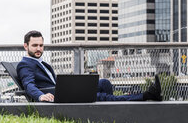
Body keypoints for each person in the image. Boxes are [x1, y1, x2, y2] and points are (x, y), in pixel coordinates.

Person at [17, 30, 162, 102]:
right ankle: (146, 95)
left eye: (41, 45)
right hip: (59, 97)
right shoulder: (25, 65)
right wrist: (41, 96)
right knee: (101, 96)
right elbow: (28, 85)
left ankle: (111, 108)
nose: (39, 48)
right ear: (26, 46)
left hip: (64, 91)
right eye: (34, 45)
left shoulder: (43, 64)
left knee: (104, 82)